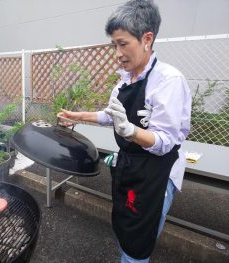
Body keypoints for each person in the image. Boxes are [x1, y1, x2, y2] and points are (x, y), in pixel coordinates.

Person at [57, 0, 192, 262]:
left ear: (147, 39)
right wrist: (79, 116)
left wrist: (130, 131)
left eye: (123, 43)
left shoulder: (168, 81)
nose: (117, 53)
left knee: (138, 244)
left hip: (157, 173)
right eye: (114, 45)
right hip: (130, 167)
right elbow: (111, 116)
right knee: (125, 229)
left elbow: (165, 141)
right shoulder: (124, 81)